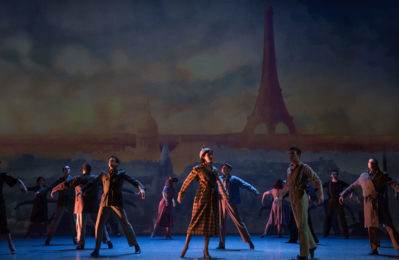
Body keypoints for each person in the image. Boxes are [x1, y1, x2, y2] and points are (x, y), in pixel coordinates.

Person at [79, 155, 145, 257]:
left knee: (125, 224)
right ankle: (96, 249)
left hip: (116, 202)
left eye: (113, 161)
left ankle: (136, 245)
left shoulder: (121, 174)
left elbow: (134, 181)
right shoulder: (103, 174)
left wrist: (141, 188)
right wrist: (82, 190)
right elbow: (92, 182)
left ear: (117, 164)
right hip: (104, 202)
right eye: (110, 160)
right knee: (98, 225)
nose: (111, 161)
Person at [340, 158, 399, 255]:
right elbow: (353, 186)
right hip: (369, 204)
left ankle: (397, 245)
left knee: (388, 225)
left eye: (373, 163)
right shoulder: (363, 176)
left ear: (376, 164)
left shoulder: (382, 176)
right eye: (370, 162)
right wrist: (343, 195)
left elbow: (393, 184)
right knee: (371, 227)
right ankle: (374, 248)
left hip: (380, 202)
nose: (371, 164)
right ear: (368, 164)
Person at [177, 147, 228, 259]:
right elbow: (187, 180)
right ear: (203, 156)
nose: (211, 156)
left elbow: (219, 183)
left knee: (208, 225)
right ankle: (186, 246)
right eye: (208, 154)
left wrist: (225, 196)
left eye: (211, 154)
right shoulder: (198, 169)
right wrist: (181, 193)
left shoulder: (214, 170)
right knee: (194, 221)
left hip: (212, 198)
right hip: (201, 197)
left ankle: (205, 250)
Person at [51, 163, 113, 250]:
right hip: (94, 205)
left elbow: (65, 184)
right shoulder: (96, 178)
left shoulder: (78, 178)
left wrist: (54, 189)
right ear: (90, 170)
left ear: (83, 170)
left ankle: (81, 244)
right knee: (99, 224)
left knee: (80, 226)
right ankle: (107, 240)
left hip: (81, 205)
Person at [278, 147, 323, 260]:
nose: (290, 156)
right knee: (300, 225)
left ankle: (304, 254)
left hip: (301, 197)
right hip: (292, 198)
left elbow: (317, 180)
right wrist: (280, 197)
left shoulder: (304, 167)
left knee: (302, 227)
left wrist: (321, 194)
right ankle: (312, 245)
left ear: (298, 155)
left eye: (293, 154)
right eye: (289, 154)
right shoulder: (289, 169)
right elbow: (287, 185)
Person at [217, 162, 259, 250]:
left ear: (230, 170)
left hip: (230, 201)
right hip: (221, 201)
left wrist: (254, 190)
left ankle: (249, 242)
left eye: (226, 168)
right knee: (221, 223)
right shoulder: (219, 179)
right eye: (223, 168)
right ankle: (221, 244)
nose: (224, 170)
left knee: (238, 222)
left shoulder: (234, 179)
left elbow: (245, 184)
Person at [40, 165, 76, 245]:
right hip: (62, 201)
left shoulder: (72, 179)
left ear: (69, 170)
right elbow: (51, 187)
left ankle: (75, 238)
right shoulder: (59, 180)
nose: (66, 171)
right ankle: (48, 239)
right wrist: (40, 191)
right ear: (63, 171)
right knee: (55, 220)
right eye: (65, 169)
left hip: (70, 202)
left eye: (68, 169)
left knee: (73, 220)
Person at [0, 160, 28, 254]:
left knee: (3, 223)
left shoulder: (2, 175)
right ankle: (11, 246)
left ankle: (11, 245)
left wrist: (23, 186)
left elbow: (16, 180)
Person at [323, 170, 350, 238]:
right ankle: (326, 234)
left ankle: (346, 235)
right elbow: (319, 187)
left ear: (337, 175)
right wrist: (311, 194)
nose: (335, 175)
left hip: (339, 201)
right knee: (328, 218)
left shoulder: (340, 183)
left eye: (336, 174)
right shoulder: (328, 183)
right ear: (331, 175)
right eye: (333, 174)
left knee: (342, 218)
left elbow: (350, 187)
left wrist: (352, 194)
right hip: (331, 201)